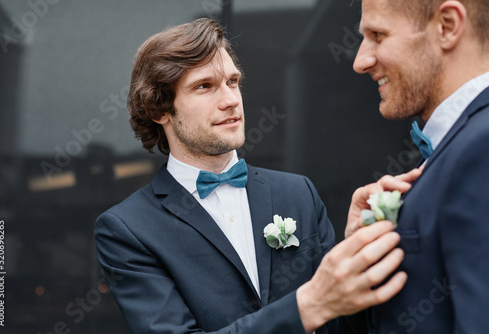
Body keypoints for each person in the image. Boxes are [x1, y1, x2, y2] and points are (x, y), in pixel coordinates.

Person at [95, 18, 419, 334]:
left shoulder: (298, 193)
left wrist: (356, 253)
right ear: (159, 110)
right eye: (205, 86)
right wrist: (308, 304)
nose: (231, 100)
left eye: (233, 82)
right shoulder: (127, 230)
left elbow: (341, 326)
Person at [350, 0, 489, 332]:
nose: (360, 61)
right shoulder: (461, 143)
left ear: (447, 25)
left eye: (378, 34)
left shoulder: (481, 146)